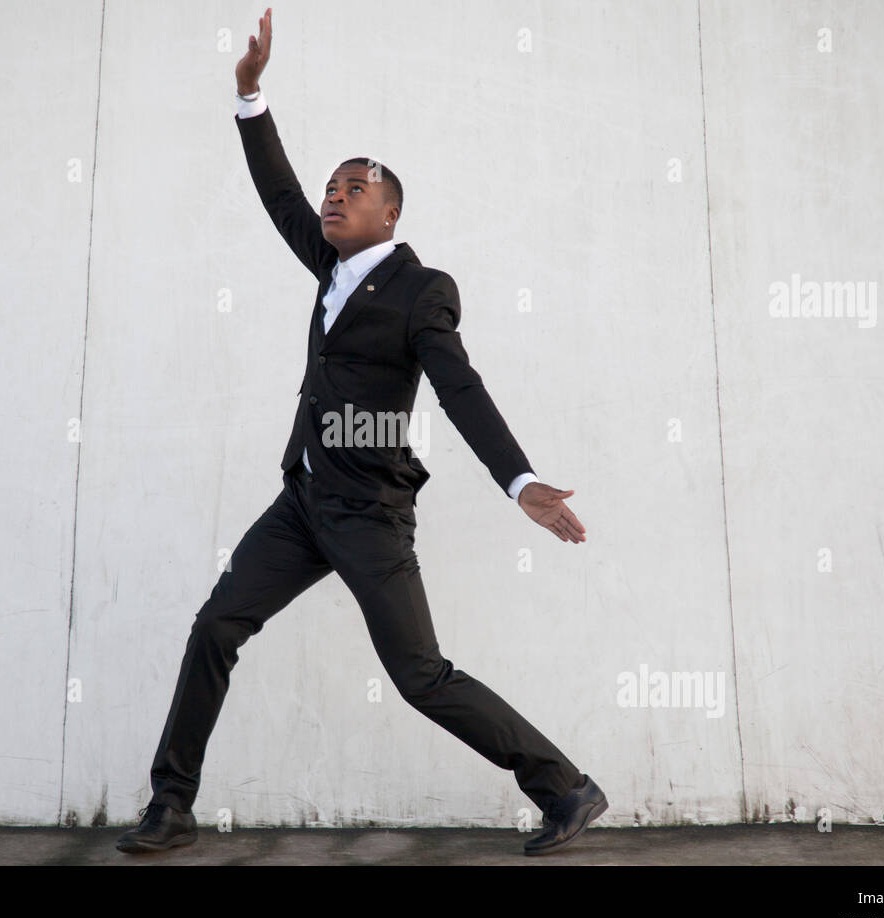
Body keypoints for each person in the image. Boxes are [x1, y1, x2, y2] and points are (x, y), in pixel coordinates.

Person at [117, 7, 606, 857]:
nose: (333, 197)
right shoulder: (331, 263)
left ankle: (563, 787)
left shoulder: (422, 289)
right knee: (215, 628)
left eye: (354, 189)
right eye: (331, 188)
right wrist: (250, 95)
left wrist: (520, 482)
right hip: (304, 501)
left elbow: (459, 388)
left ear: (390, 213)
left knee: (419, 676)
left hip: (370, 511)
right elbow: (278, 191)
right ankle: (171, 806)